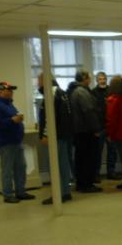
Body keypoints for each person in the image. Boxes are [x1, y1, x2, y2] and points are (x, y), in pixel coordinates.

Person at [0, 81, 35, 203]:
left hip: (16, 142)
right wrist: (12, 120)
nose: (11, 92)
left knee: (21, 167)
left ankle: (20, 192)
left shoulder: (10, 105)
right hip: (5, 143)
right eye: (8, 90)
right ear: (0, 91)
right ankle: (8, 195)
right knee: (7, 170)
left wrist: (17, 120)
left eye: (11, 90)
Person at [37, 74, 74, 205]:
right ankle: (65, 192)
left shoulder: (51, 93)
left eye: (39, 81)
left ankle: (58, 194)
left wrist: (46, 135)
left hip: (55, 137)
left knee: (54, 166)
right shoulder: (62, 93)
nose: (38, 84)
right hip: (64, 135)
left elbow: (49, 117)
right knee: (63, 164)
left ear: (44, 81)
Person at [69, 70, 103, 193]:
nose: (90, 79)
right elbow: (89, 111)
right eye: (89, 77)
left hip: (79, 131)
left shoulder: (74, 91)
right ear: (84, 78)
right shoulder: (82, 92)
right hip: (86, 131)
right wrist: (96, 129)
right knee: (88, 159)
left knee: (80, 158)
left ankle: (81, 183)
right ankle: (87, 184)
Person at [92, 71, 118, 181]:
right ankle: (96, 174)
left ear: (106, 80)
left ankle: (111, 172)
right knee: (97, 152)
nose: (102, 81)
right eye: (100, 79)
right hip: (99, 127)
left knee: (112, 151)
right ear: (97, 80)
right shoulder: (93, 92)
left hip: (110, 125)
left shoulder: (111, 91)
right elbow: (92, 111)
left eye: (104, 79)